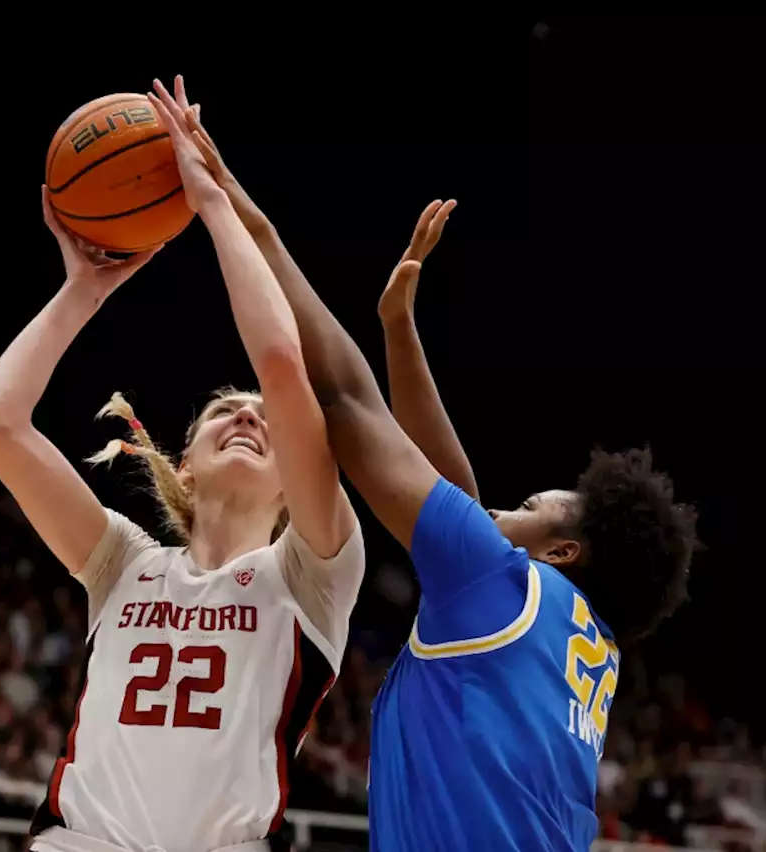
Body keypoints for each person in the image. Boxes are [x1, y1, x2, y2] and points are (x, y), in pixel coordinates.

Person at [181, 82, 698, 850]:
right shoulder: (580, 645)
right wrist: (398, 327)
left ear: (560, 552)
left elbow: (348, 404)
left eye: (529, 505)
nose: (500, 512)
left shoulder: (502, 587)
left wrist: (235, 207)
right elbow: (453, 494)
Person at [0, 77, 363, 852]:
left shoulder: (314, 574)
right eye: (224, 411)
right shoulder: (123, 563)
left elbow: (283, 364)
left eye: (265, 420)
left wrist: (212, 202)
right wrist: (83, 290)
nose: (249, 415)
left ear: (297, 482)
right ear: (184, 464)